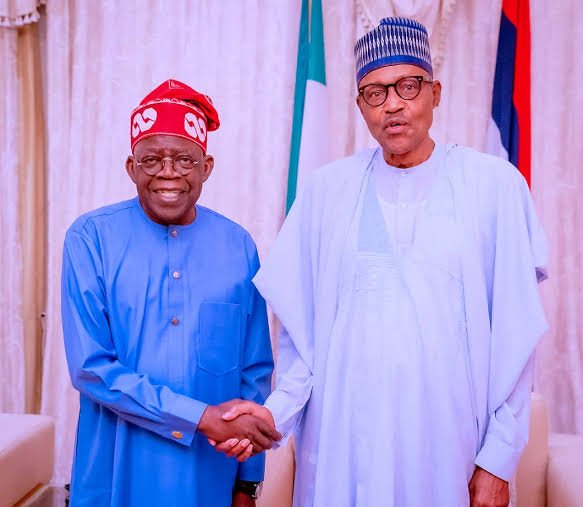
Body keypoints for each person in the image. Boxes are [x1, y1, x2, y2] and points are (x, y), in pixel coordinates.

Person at [214, 17, 548, 507]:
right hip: (344, 448)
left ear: (435, 92)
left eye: (407, 86)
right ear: (360, 106)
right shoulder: (326, 192)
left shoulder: (494, 186)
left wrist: (497, 460)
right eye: (375, 92)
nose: (392, 104)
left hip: (449, 450)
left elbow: (516, 339)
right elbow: (302, 343)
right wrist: (273, 414)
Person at [61, 79, 280, 507]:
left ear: (206, 167)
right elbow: (91, 367)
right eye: (151, 160)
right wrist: (201, 417)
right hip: (115, 473)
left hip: (209, 477)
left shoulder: (238, 246)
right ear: (131, 167)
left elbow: (253, 370)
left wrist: (247, 483)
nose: (168, 172)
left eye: (183, 159)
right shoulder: (90, 239)